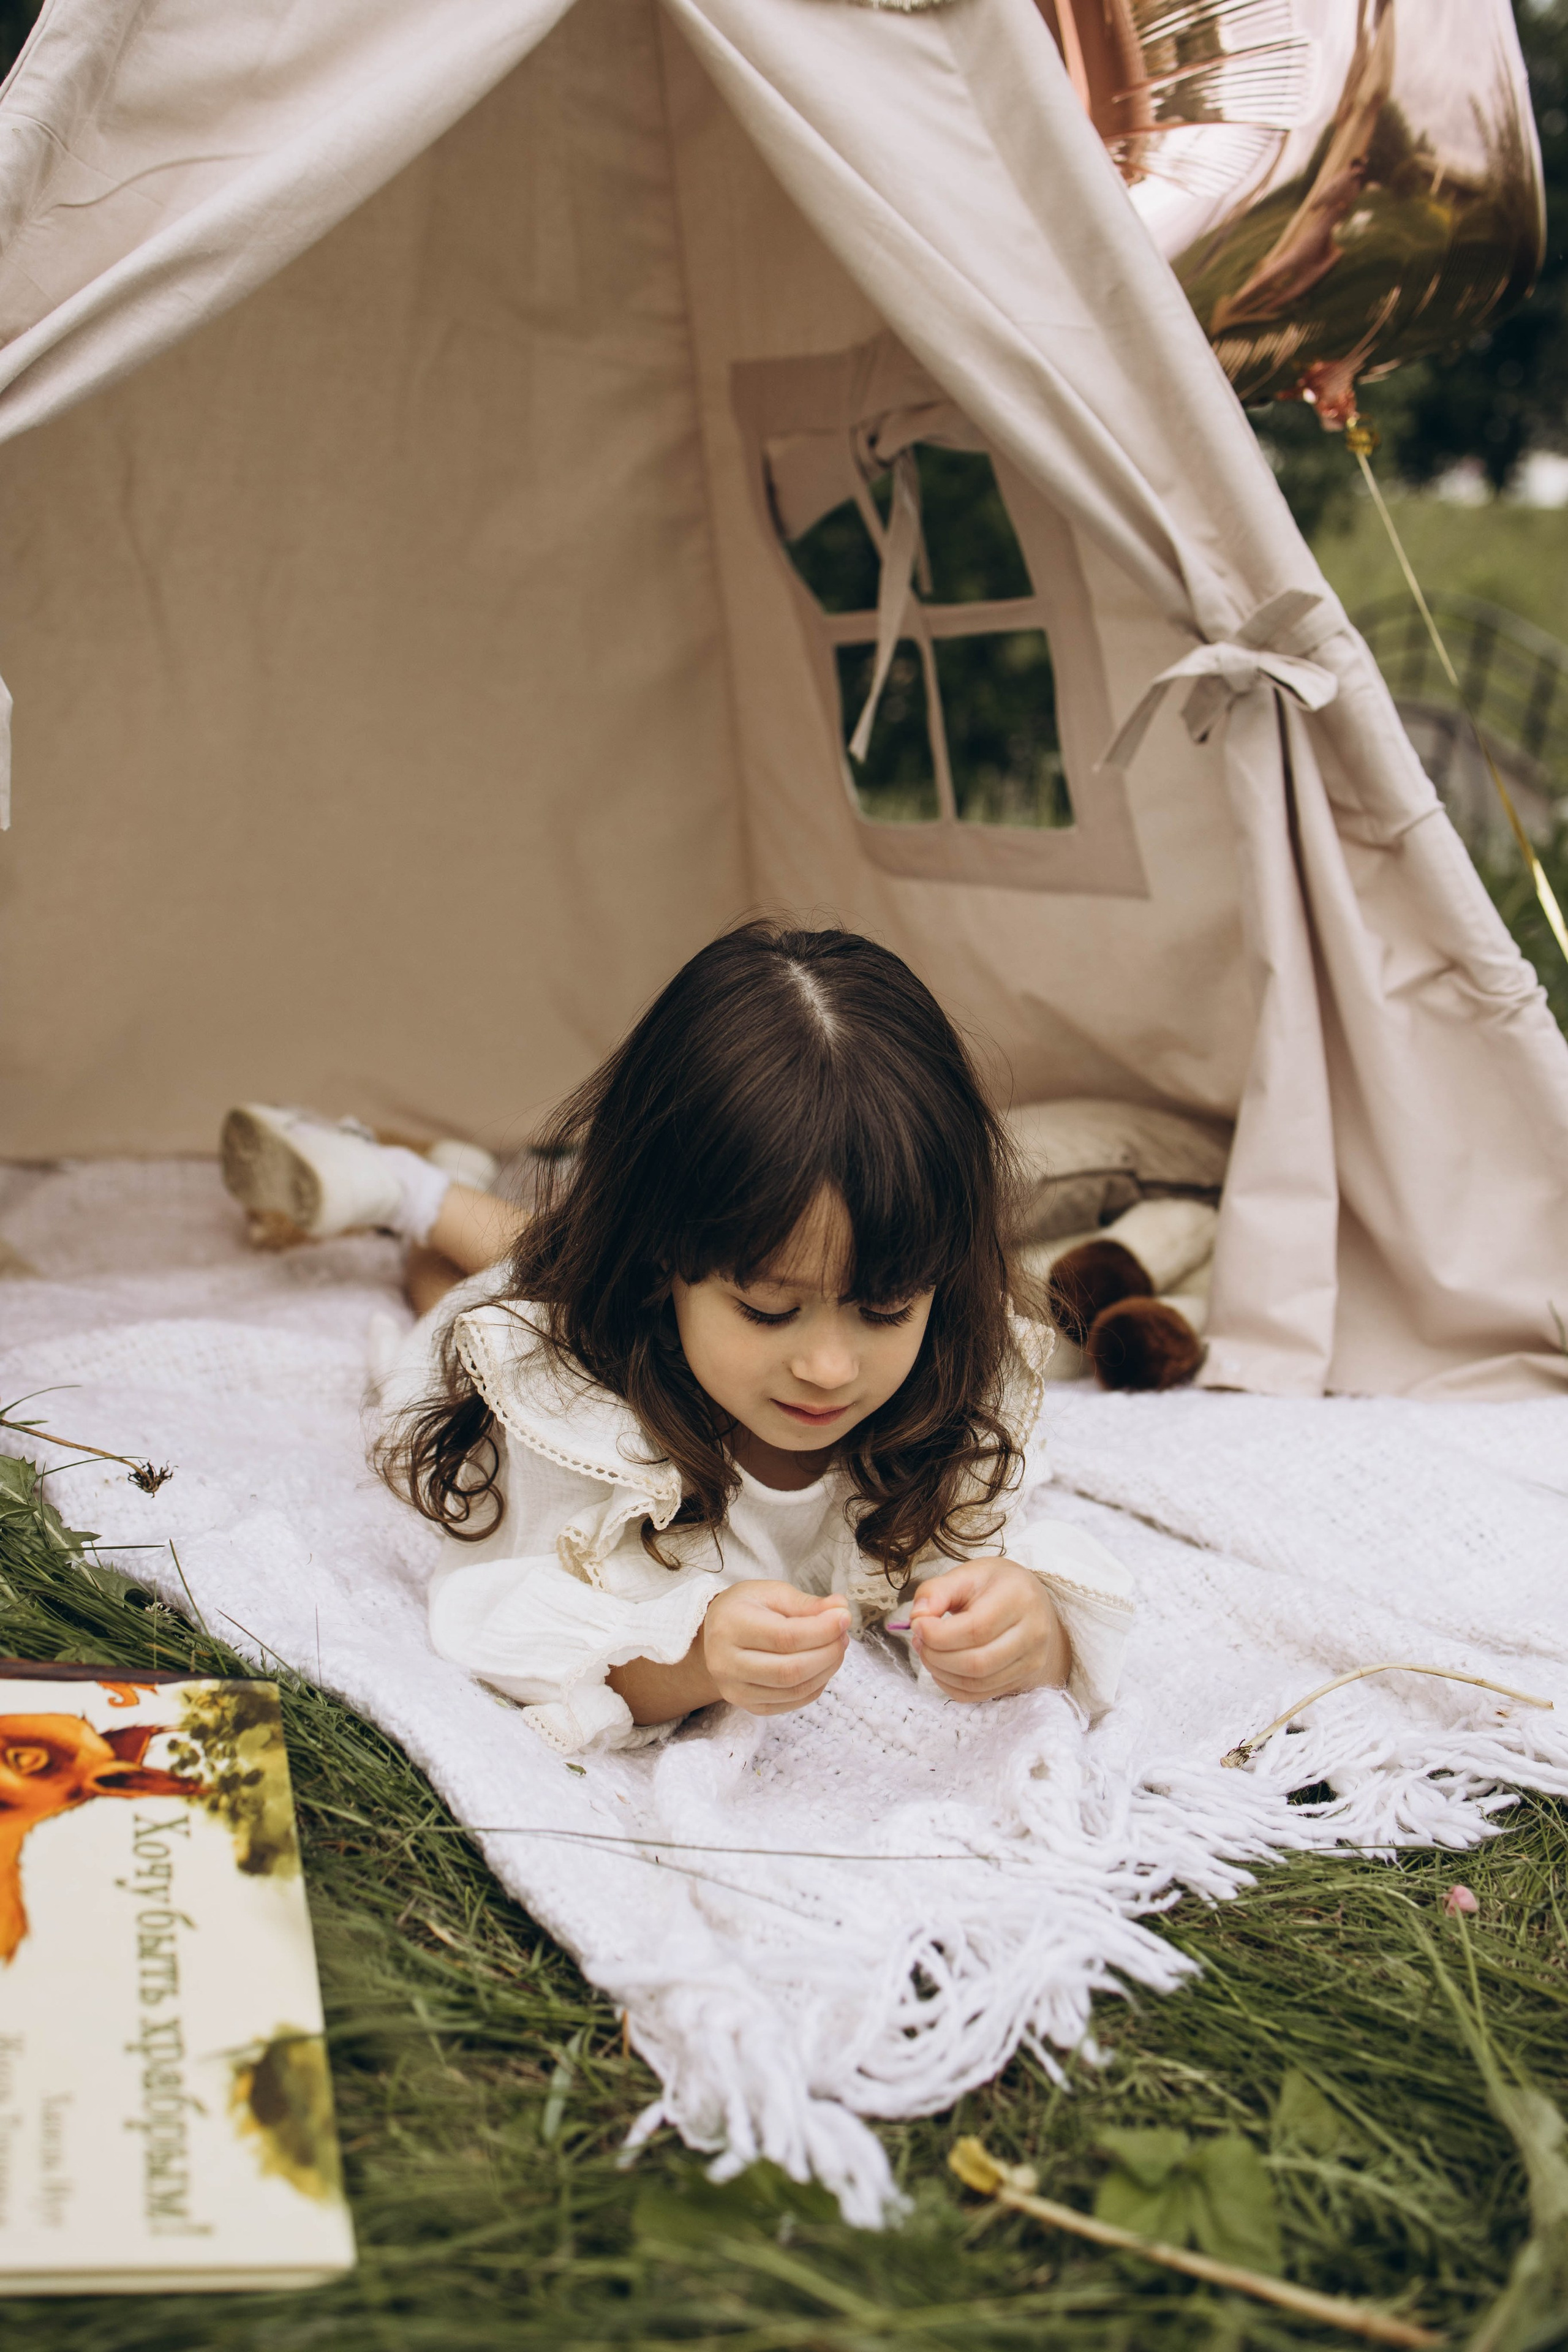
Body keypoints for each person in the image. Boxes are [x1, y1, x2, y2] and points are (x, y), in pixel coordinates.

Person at [219, 922, 1133, 1755]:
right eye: (771, 1312)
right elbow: (501, 1621)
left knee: (544, 1259)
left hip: (617, 1284)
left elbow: (988, 1551)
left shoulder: (945, 1392)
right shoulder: (568, 1414)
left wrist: (1039, 1630)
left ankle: (416, 1187)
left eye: (885, 1309)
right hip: (546, 1334)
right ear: (664, 1263)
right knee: (480, 1293)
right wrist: (691, 1660)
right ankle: (405, 1195)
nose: (828, 1367)